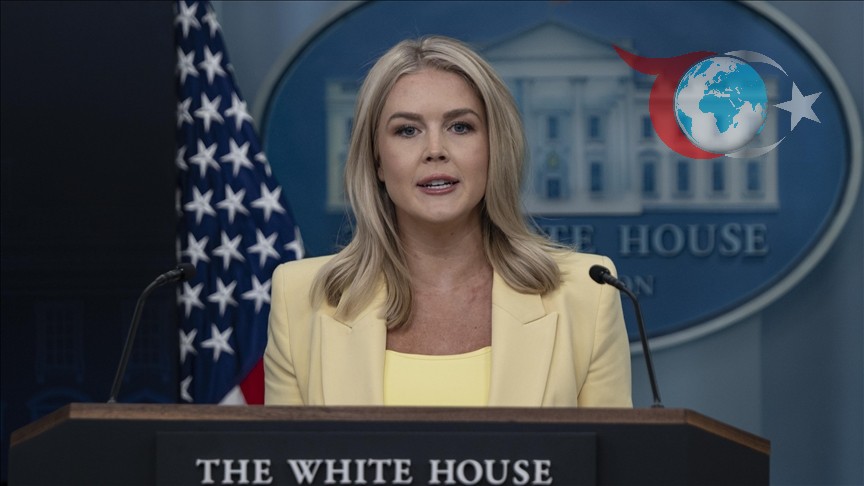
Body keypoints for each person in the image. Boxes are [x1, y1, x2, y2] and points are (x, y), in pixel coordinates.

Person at [265, 35, 632, 407]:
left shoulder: (586, 296)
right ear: (377, 160)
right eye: (407, 130)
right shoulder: (300, 298)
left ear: (494, 148)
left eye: (460, 127)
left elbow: (611, 447)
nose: (435, 150)